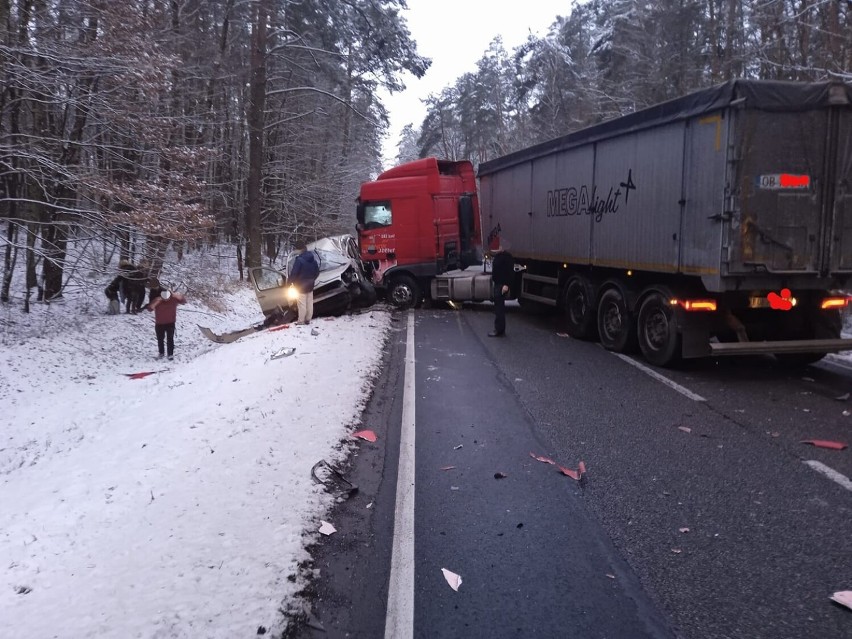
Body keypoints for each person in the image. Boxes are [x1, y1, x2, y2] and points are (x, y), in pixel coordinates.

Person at [141, 278, 186, 360]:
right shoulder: (170, 299)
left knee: (164, 339)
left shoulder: (160, 299)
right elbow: (183, 301)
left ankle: (165, 353)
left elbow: (150, 308)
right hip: (166, 322)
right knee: (167, 339)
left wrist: (152, 304)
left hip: (163, 322)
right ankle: (167, 354)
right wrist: (177, 296)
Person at [289, 239, 320, 325]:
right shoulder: (312, 259)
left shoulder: (299, 260)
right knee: (309, 302)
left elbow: (294, 273)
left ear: (299, 249)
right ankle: (308, 319)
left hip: (301, 286)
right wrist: (312, 279)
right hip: (310, 285)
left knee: (302, 304)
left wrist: (289, 283)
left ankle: (301, 321)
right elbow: (317, 272)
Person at [489, 238, 514, 337]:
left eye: (499, 246)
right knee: (498, 306)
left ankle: (498, 329)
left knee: (499, 308)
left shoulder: (507, 258)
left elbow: (510, 273)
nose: (497, 248)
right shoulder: (499, 256)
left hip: (502, 285)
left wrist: (506, 285)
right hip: (498, 284)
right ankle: (500, 329)